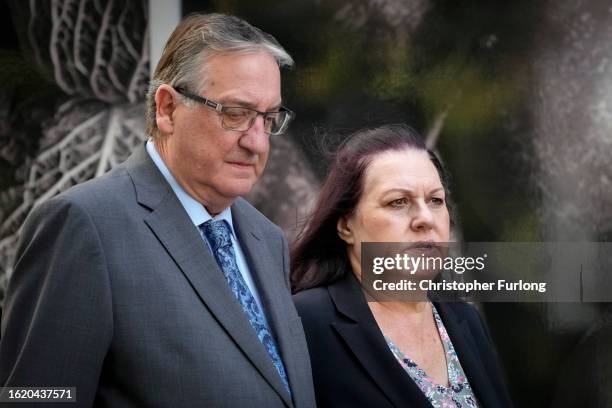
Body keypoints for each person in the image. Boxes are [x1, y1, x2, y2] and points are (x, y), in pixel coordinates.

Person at [0, 13, 315, 408]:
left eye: (269, 119)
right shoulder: (84, 225)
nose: (258, 142)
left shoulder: (266, 239)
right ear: (167, 108)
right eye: (236, 113)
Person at [291, 124, 512, 407]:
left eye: (435, 200)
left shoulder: (465, 320)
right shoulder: (306, 323)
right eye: (398, 202)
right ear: (346, 225)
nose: (425, 219)